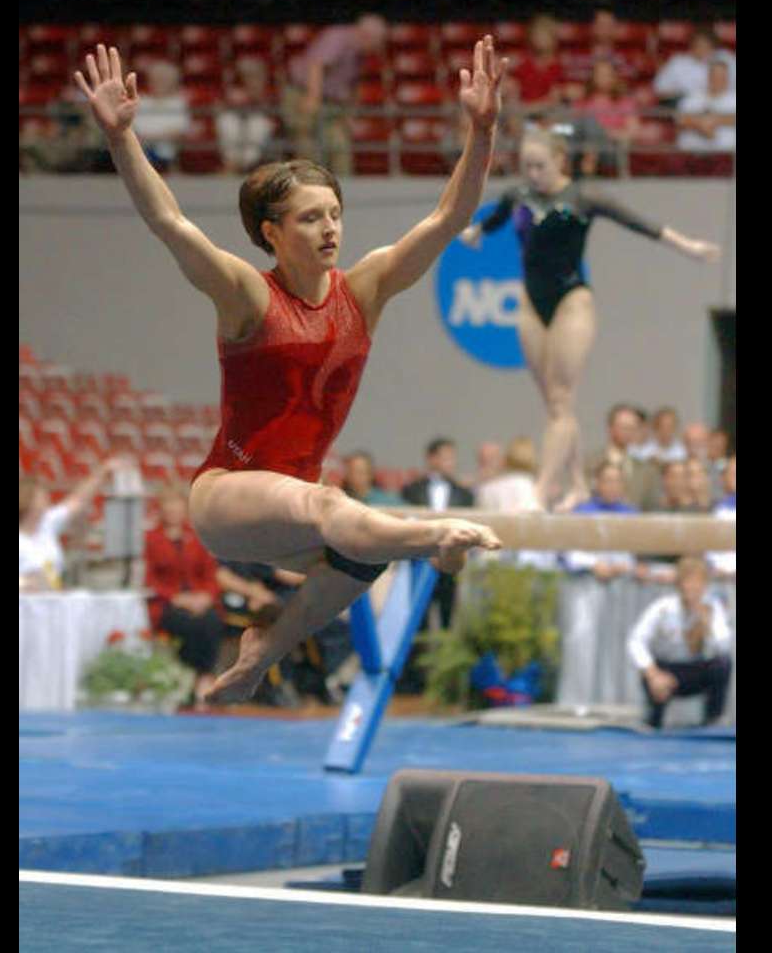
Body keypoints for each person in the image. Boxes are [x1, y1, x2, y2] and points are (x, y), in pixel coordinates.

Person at [74, 40, 505, 704]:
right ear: (271, 233)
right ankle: (429, 536)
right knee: (338, 510)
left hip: (297, 511)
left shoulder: (365, 290)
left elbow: (450, 216)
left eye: (334, 213)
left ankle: (264, 648)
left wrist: (482, 129)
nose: (330, 228)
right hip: (230, 493)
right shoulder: (250, 296)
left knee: (360, 554)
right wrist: (121, 137)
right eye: (310, 218)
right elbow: (170, 223)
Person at [459, 136, 720, 514]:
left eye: (541, 167)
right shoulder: (517, 194)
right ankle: (579, 484)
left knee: (562, 401)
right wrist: (474, 232)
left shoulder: (585, 197)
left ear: (560, 160)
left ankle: (543, 488)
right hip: (531, 303)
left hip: (572, 300)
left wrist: (689, 247)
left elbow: (640, 224)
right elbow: (495, 219)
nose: (533, 174)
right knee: (554, 403)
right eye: (527, 167)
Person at [143, 482, 228, 705]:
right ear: (160, 508)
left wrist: (206, 597)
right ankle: (194, 675)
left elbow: (211, 575)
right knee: (191, 624)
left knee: (211, 620)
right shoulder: (150, 539)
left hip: (200, 600)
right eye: (168, 504)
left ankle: (202, 676)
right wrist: (177, 598)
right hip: (167, 604)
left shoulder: (197, 538)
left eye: (177, 504)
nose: (173, 509)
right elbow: (148, 579)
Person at [627, 556, 732, 729]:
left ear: (705, 585)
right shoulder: (663, 608)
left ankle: (713, 719)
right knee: (651, 674)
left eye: (697, 583)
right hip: (667, 670)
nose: (692, 588)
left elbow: (723, 646)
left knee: (723, 664)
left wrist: (708, 627)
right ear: (678, 584)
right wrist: (653, 674)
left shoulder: (712, 608)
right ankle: (653, 719)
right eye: (687, 582)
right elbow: (636, 640)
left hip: (696, 670)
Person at [281, 14, 388, 175]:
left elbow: (353, 84)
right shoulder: (338, 37)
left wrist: (350, 114)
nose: (379, 46)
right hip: (302, 93)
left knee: (340, 146)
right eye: (378, 41)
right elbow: (316, 66)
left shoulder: (360, 52)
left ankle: (344, 191)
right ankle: (310, 193)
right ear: (367, 35)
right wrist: (312, 98)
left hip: (331, 103)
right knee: (308, 149)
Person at [19, 456, 130, 591]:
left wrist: (102, 472)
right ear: (26, 500)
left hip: (50, 599)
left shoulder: (47, 524)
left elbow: (78, 500)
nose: (46, 500)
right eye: (40, 496)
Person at [401, 438, 476, 632]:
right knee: (417, 616)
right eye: (445, 457)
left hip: (450, 559)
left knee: (447, 613)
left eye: (453, 458)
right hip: (419, 559)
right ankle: (416, 658)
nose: (451, 462)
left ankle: (445, 655)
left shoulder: (465, 494)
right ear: (431, 459)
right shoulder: (411, 490)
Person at [561, 462, 638, 581]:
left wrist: (626, 565)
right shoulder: (582, 511)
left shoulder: (631, 513)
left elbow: (636, 557)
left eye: (618, 481)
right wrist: (593, 564)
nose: (613, 486)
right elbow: (568, 554)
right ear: (597, 483)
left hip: (623, 577)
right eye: (608, 481)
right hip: (586, 577)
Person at [586, 403, 660, 511]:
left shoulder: (647, 470)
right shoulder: (590, 463)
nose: (628, 432)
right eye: (624, 427)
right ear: (610, 428)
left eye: (632, 428)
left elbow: (651, 507)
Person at [218, 56, 277, 174]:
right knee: (226, 121)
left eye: (255, 75)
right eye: (248, 75)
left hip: (260, 120)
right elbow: (225, 105)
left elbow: (271, 111)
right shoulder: (236, 90)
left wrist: (256, 96)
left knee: (257, 126)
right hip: (239, 119)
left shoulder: (270, 90)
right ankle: (232, 163)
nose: (252, 78)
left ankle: (242, 166)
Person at [131, 61, 190, 172]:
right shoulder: (140, 100)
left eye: (164, 79)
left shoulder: (179, 103)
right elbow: (133, 128)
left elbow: (180, 131)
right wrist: (158, 136)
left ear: (173, 82)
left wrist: (149, 138)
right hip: (138, 152)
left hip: (166, 155)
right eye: (157, 79)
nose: (160, 82)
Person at [652, 28, 736, 106]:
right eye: (698, 45)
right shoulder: (677, 62)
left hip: (724, 104)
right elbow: (660, 90)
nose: (702, 49)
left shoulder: (727, 59)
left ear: (714, 46)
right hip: (690, 105)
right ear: (691, 46)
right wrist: (685, 95)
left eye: (706, 45)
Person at [676, 59, 736, 153]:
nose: (718, 79)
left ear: (727, 78)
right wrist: (700, 124)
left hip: (725, 156)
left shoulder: (733, 98)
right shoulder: (693, 97)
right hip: (691, 153)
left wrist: (714, 120)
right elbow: (680, 119)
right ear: (708, 76)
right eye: (715, 75)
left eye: (722, 76)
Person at [707, 456, 736, 580]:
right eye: (733, 474)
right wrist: (714, 567)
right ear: (723, 478)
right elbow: (708, 549)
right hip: (720, 573)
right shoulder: (717, 510)